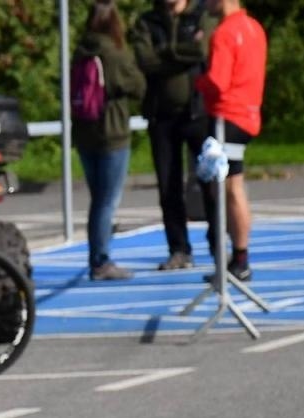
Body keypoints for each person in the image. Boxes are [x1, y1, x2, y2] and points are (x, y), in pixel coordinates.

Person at [130, 0, 215, 271]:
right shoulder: (148, 22)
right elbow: (145, 60)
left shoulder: (200, 16)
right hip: (162, 115)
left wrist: (165, 53)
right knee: (169, 186)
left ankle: (217, 243)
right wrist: (181, 53)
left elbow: (202, 51)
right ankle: (178, 248)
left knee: (210, 182)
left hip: (197, 111)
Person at [74, 1, 146, 282]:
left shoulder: (81, 51)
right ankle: (101, 260)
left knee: (98, 200)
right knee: (107, 201)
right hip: (112, 131)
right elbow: (138, 85)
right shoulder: (114, 52)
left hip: (84, 132)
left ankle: (97, 256)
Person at [195, 0, 265, 282]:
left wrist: (196, 83)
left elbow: (218, 81)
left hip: (227, 116)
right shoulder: (254, 28)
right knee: (229, 184)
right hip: (248, 113)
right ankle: (237, 256)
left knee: (227, 186)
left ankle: (236, 255)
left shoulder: (224, 33)